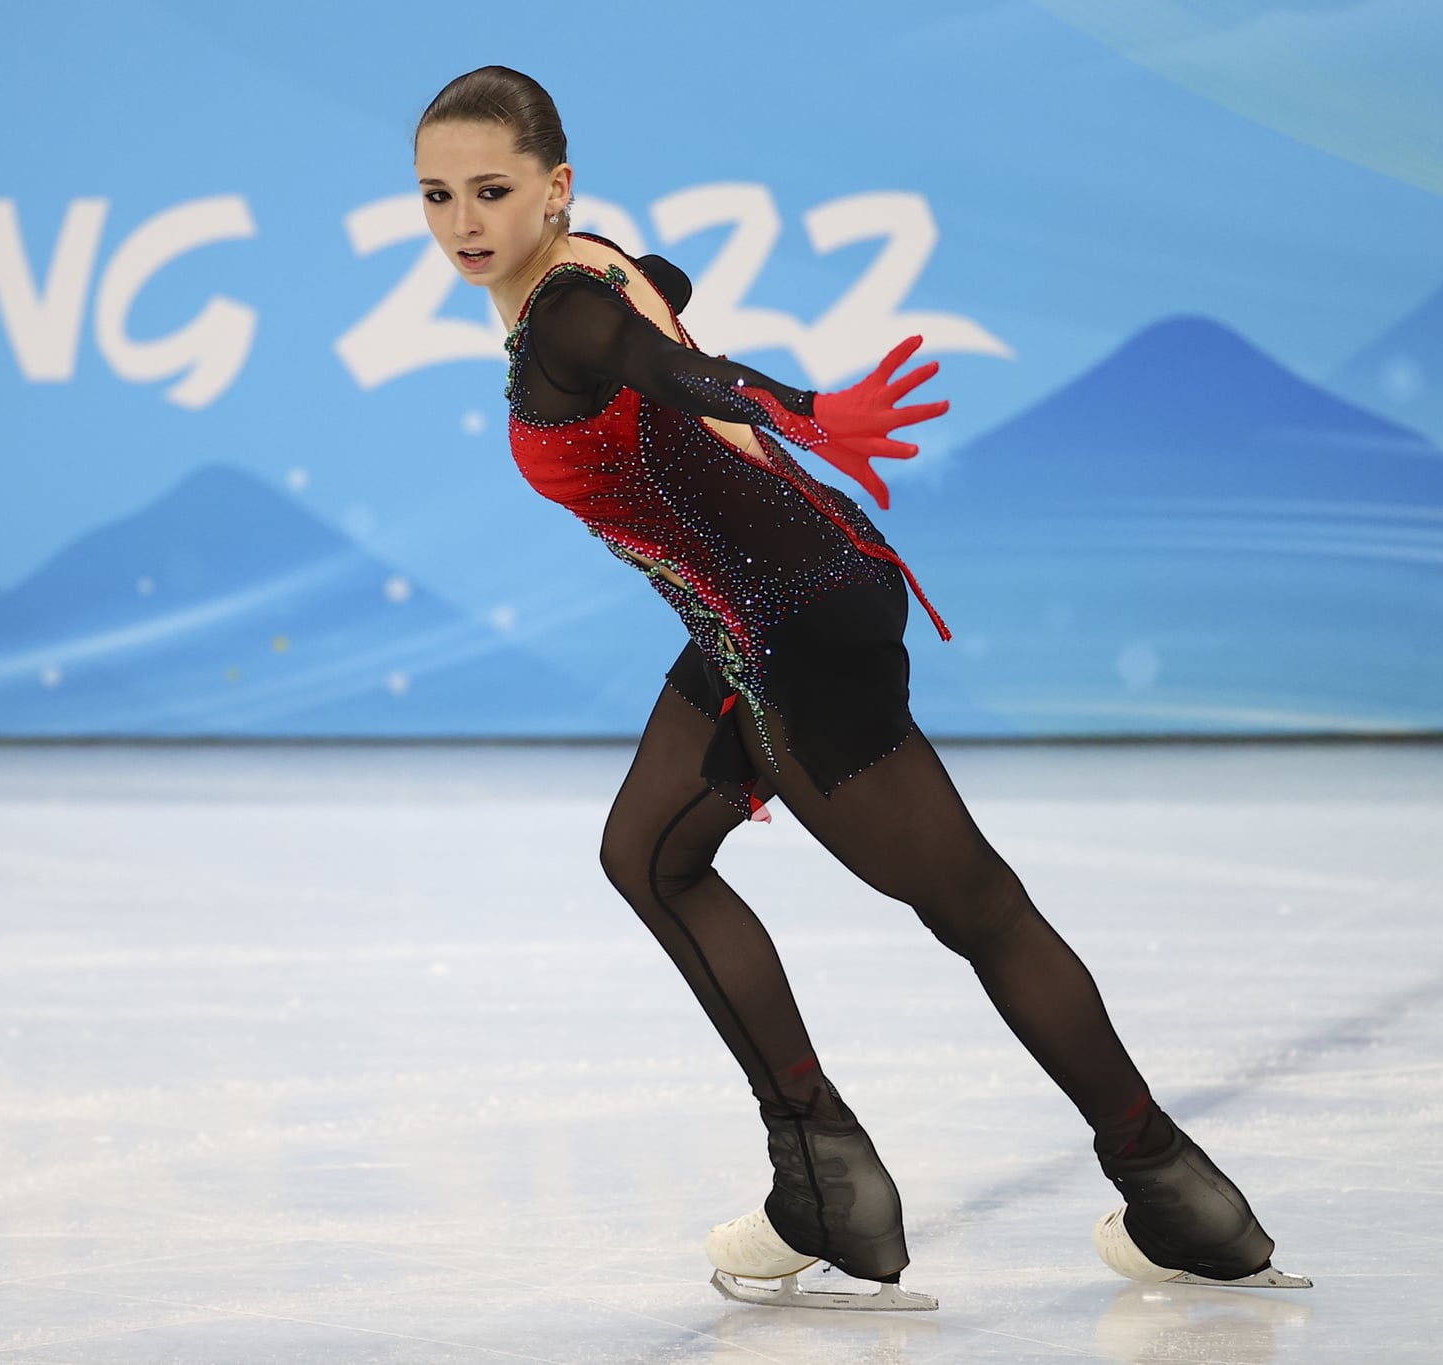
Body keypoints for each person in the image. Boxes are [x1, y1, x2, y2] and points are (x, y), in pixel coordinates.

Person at [412, 65, 1307, 1310]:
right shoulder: (594, 264)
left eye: (492, 191)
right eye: (438, 195)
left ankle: (1163, 1189)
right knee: (648, 854)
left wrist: (804, 405)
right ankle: (833, 1177)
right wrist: (687, 341)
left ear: (553, 190)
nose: (463, 222)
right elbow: (657, 312)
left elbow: (653, 362)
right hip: (788, 597)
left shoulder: (565, 317)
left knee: (976, 909)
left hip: (784, 630)